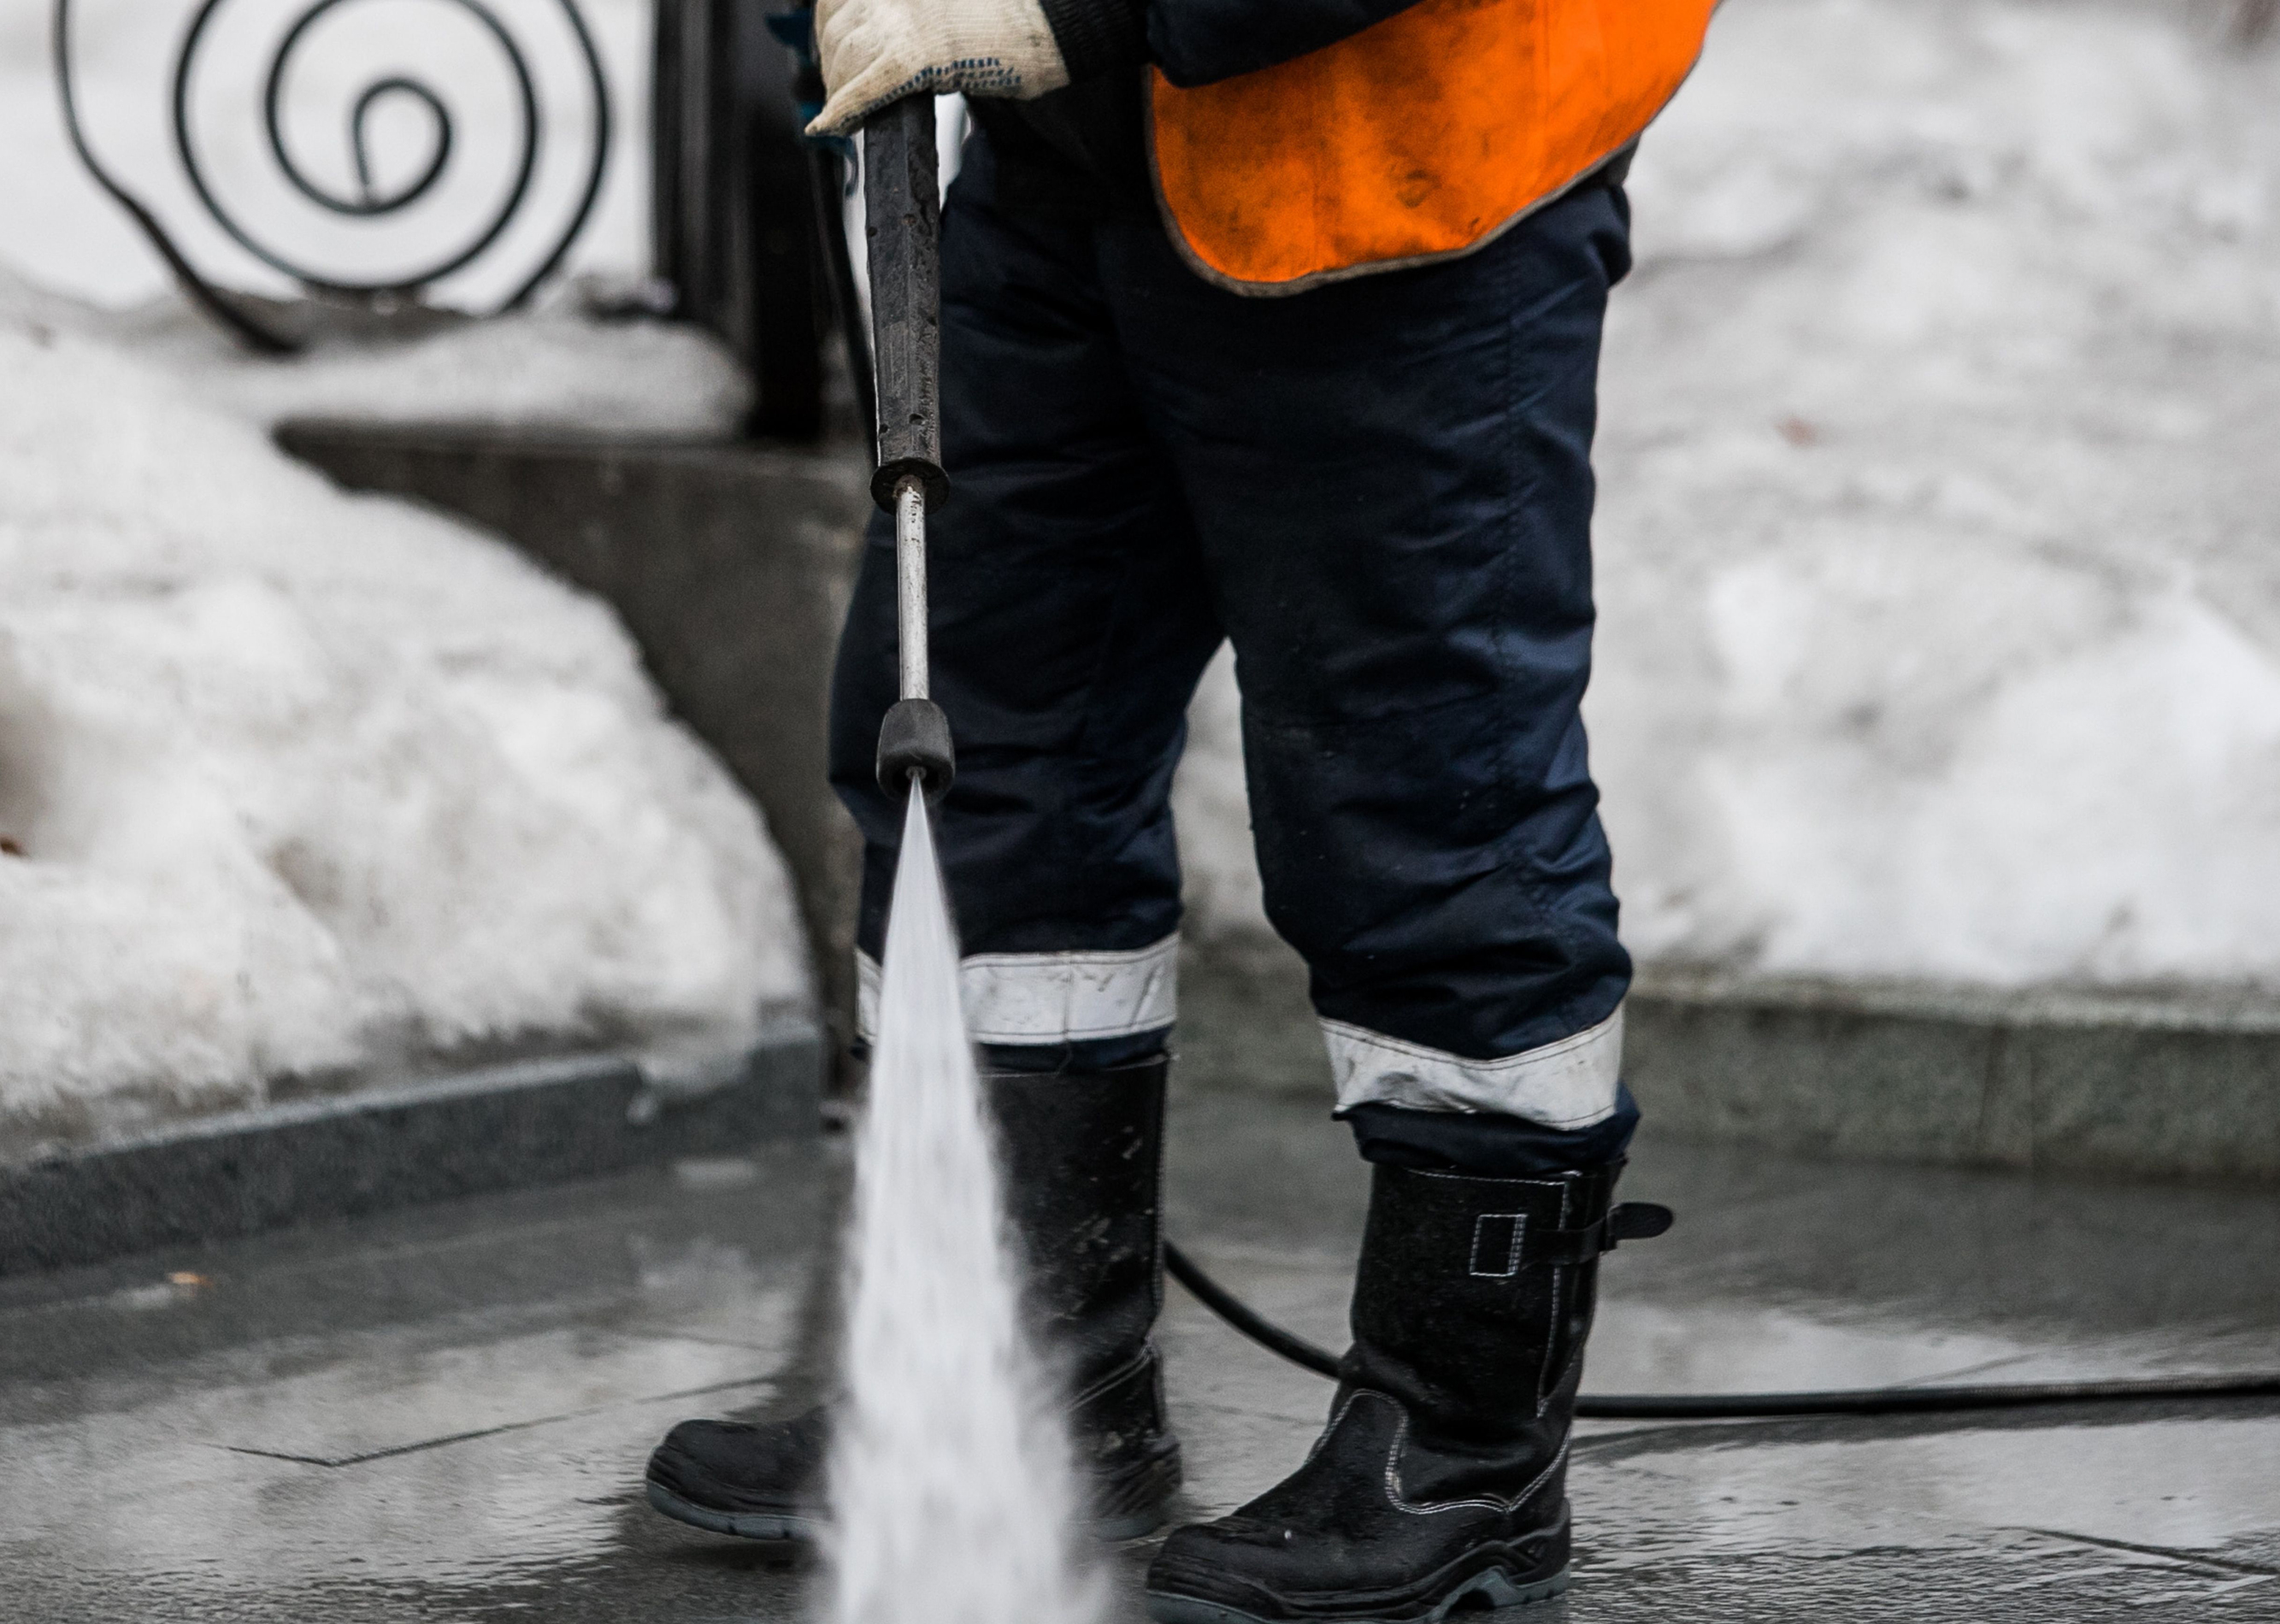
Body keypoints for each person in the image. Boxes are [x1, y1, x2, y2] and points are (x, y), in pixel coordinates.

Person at [643, 1, 1714, 1618]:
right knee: (983, 739)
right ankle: (1024, 1378)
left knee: (1423, 804)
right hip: (1073, 163)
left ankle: (1464, 1444)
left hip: (1397, 164)